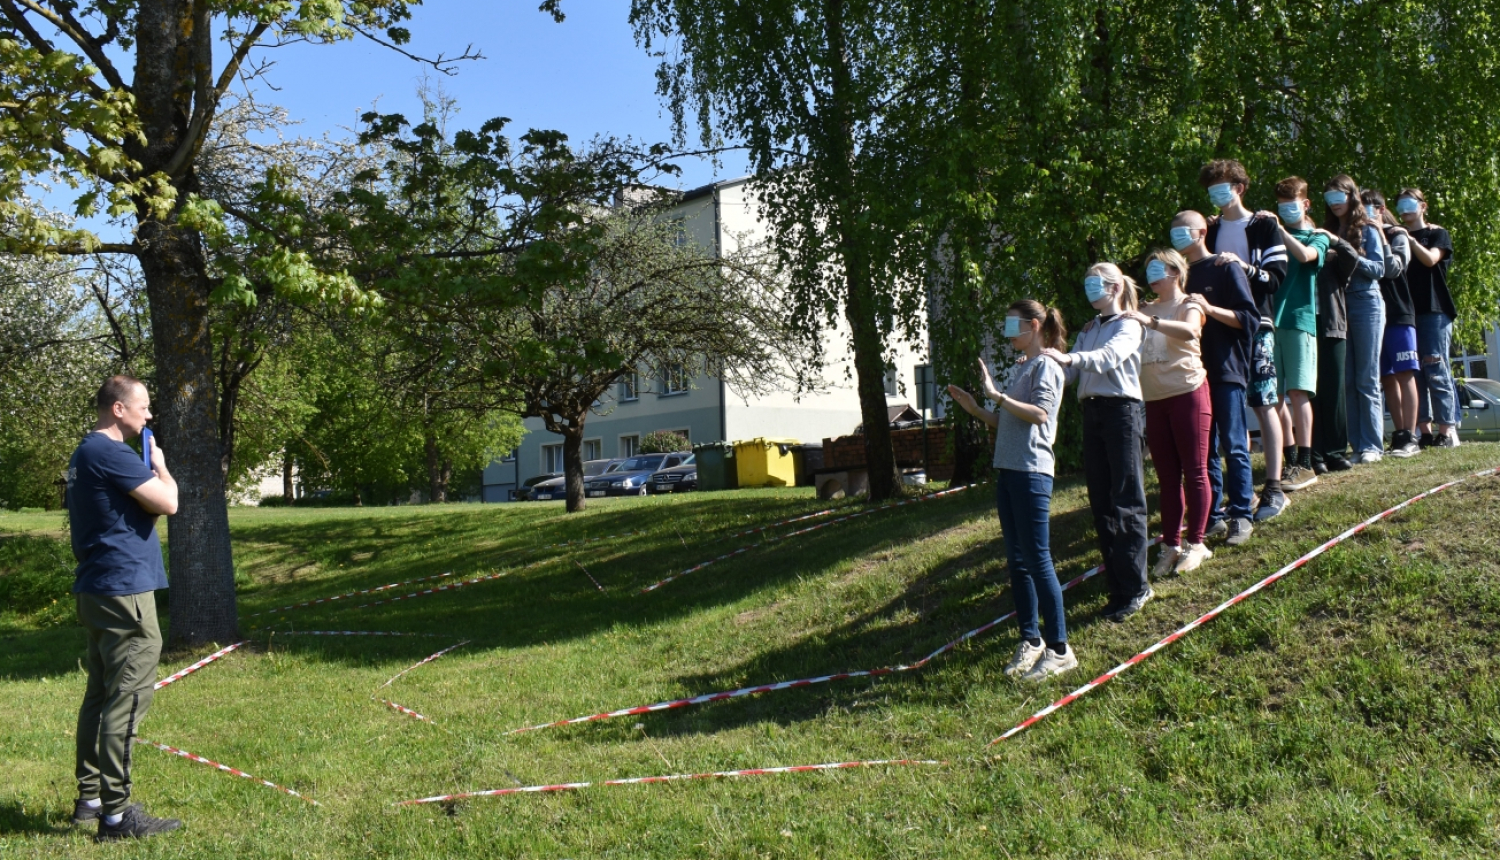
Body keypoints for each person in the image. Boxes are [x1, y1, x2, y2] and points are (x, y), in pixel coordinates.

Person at [67, 376, 182, 842]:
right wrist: (160, 466)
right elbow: (169, 502)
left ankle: (89, 800)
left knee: (99, 695)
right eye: (144, 406)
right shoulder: (112, 453)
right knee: (128, 699)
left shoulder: (85, 453)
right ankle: (116, 816)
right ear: (118, 409)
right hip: (124, 592)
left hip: (98, 589)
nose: (149, 415)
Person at [948, 300, 1076, 680]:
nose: (1007, 333)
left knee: (1038, 560)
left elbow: (1040, 414)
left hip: (1032, 473)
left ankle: (1059, 650)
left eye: (1011, 325)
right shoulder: (1025, 368)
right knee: (1018, 562)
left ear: (1034, 326)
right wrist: (975, 408)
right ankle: (1031, 640)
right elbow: (1007, 421)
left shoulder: (1048, 366)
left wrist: (997, 395)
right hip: (1008, 471)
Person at [1040, 263, 1152, 621]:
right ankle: (1117, 588)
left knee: (1127, 501)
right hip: (1093, 414)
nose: (1091, 289)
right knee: (1101, 503)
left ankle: (1136, 587)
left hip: (1122, 413)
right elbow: (1072, 372)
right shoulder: (1089, 330)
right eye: (1087, 283)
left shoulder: (1130, 324)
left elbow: (1107, 359)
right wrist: (1043, 362)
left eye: (1096, 283)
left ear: (1115, 287)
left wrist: (1069, 357)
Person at [1200, 159, 1291, 521]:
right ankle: (1226, 494)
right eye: (1210, 188)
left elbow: (1277, 277)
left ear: (1239, 187)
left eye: (1221, 186)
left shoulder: (1264, 225)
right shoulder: (1209, 228)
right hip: (1219, 329)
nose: (1215, 194)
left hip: (1257, 324)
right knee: (1225, 408)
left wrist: (1241, 267)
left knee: (1264, 399)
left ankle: (1273, 486)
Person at [1172, 210, 1260, 547]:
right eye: (1173, 230)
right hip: (1191, 375)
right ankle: (1212, 518)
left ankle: (1241, 514)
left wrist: (1208, 309)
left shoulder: (1226, 267)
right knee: (1203, 450)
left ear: (1201, 231)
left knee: (1234, 444)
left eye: (1183, 229)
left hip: (1226, 367)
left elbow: (1248, 319)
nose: (1177, 235)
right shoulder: (1177, 276)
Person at [1126, 249, 1213, 578]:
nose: (1151, 273)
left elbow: (1191, 330)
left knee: (1194, 471)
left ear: (1176, 272)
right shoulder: (1142, 309)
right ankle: (1171, 546)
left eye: (1158, 267)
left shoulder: (1189, 304)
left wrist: (1151, 321)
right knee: (1166, 478)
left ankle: (1196, 543)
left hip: (1188, 393)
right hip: (1154, 400)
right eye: (1147, 267)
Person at [1269, 177, 1330, 490]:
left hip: (1299, 320)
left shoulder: (1318, 236)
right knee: (1274, 395)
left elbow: (1306, 257)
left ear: (1306, 204)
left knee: (1298, 392)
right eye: (1280, 205)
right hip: (1271, 322)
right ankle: (1290, 459)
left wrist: (1280, 230)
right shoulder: (1272, 234)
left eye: (1290, 204)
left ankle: (1306, 464)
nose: (1284, 210)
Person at [1322, 175, 1388, 464]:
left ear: (1352, 196)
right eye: (1329, 198)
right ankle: (1357, 444)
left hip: (1366, 304)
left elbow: (1379, 268)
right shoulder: (1327, 230)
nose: (1335, 204)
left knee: (1367, 379)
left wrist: (1347, 254)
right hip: (1337, 307)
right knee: (1345, 380)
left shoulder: (1366, 228)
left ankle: (1373, 445)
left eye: (1339, 197)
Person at [1395, 188, 1459, 448]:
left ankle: (1447, 431)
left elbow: (1431, 259)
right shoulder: (1395, 236)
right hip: (1408, 312)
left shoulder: (1436, 234)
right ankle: (1425, 431)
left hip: (1434, 310)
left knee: (1436, 367)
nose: (1405, 209)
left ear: (1424, 206)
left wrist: (1410, 241)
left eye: (1411, 203)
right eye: (1400, 204)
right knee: (1415, 372)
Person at [1365, 189, 1420, 457]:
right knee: (1386, 378)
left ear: (1381, 207)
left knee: (1405, 373)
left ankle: (1411, 435)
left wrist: (1380, 236)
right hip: (1374, 317)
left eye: (1369, 207)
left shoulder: (1397, 234)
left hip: (1398, 312)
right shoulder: (1358, 235)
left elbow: (1393, 268)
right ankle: (1399, 435)